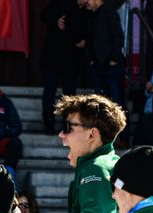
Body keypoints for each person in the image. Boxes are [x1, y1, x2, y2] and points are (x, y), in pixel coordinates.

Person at [39, 0, 87, 134]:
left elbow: (90, 29)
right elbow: (44, 15)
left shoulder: (87, 10)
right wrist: (56, 21)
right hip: (53, 56)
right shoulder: (61, 3)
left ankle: (68, 124)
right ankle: (49, 123)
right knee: (50, 91)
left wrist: (85, 40)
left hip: (71, 58)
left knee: (70, 94)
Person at [85, 0, 126, 107]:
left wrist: (114, 59)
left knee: (115, 99)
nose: (86, 1)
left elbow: (118, 37)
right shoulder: (92, 15)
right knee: (101, 99)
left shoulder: (109, 13)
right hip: (98, 64)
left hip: (111, 64)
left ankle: (119, 119)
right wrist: (92, 59)